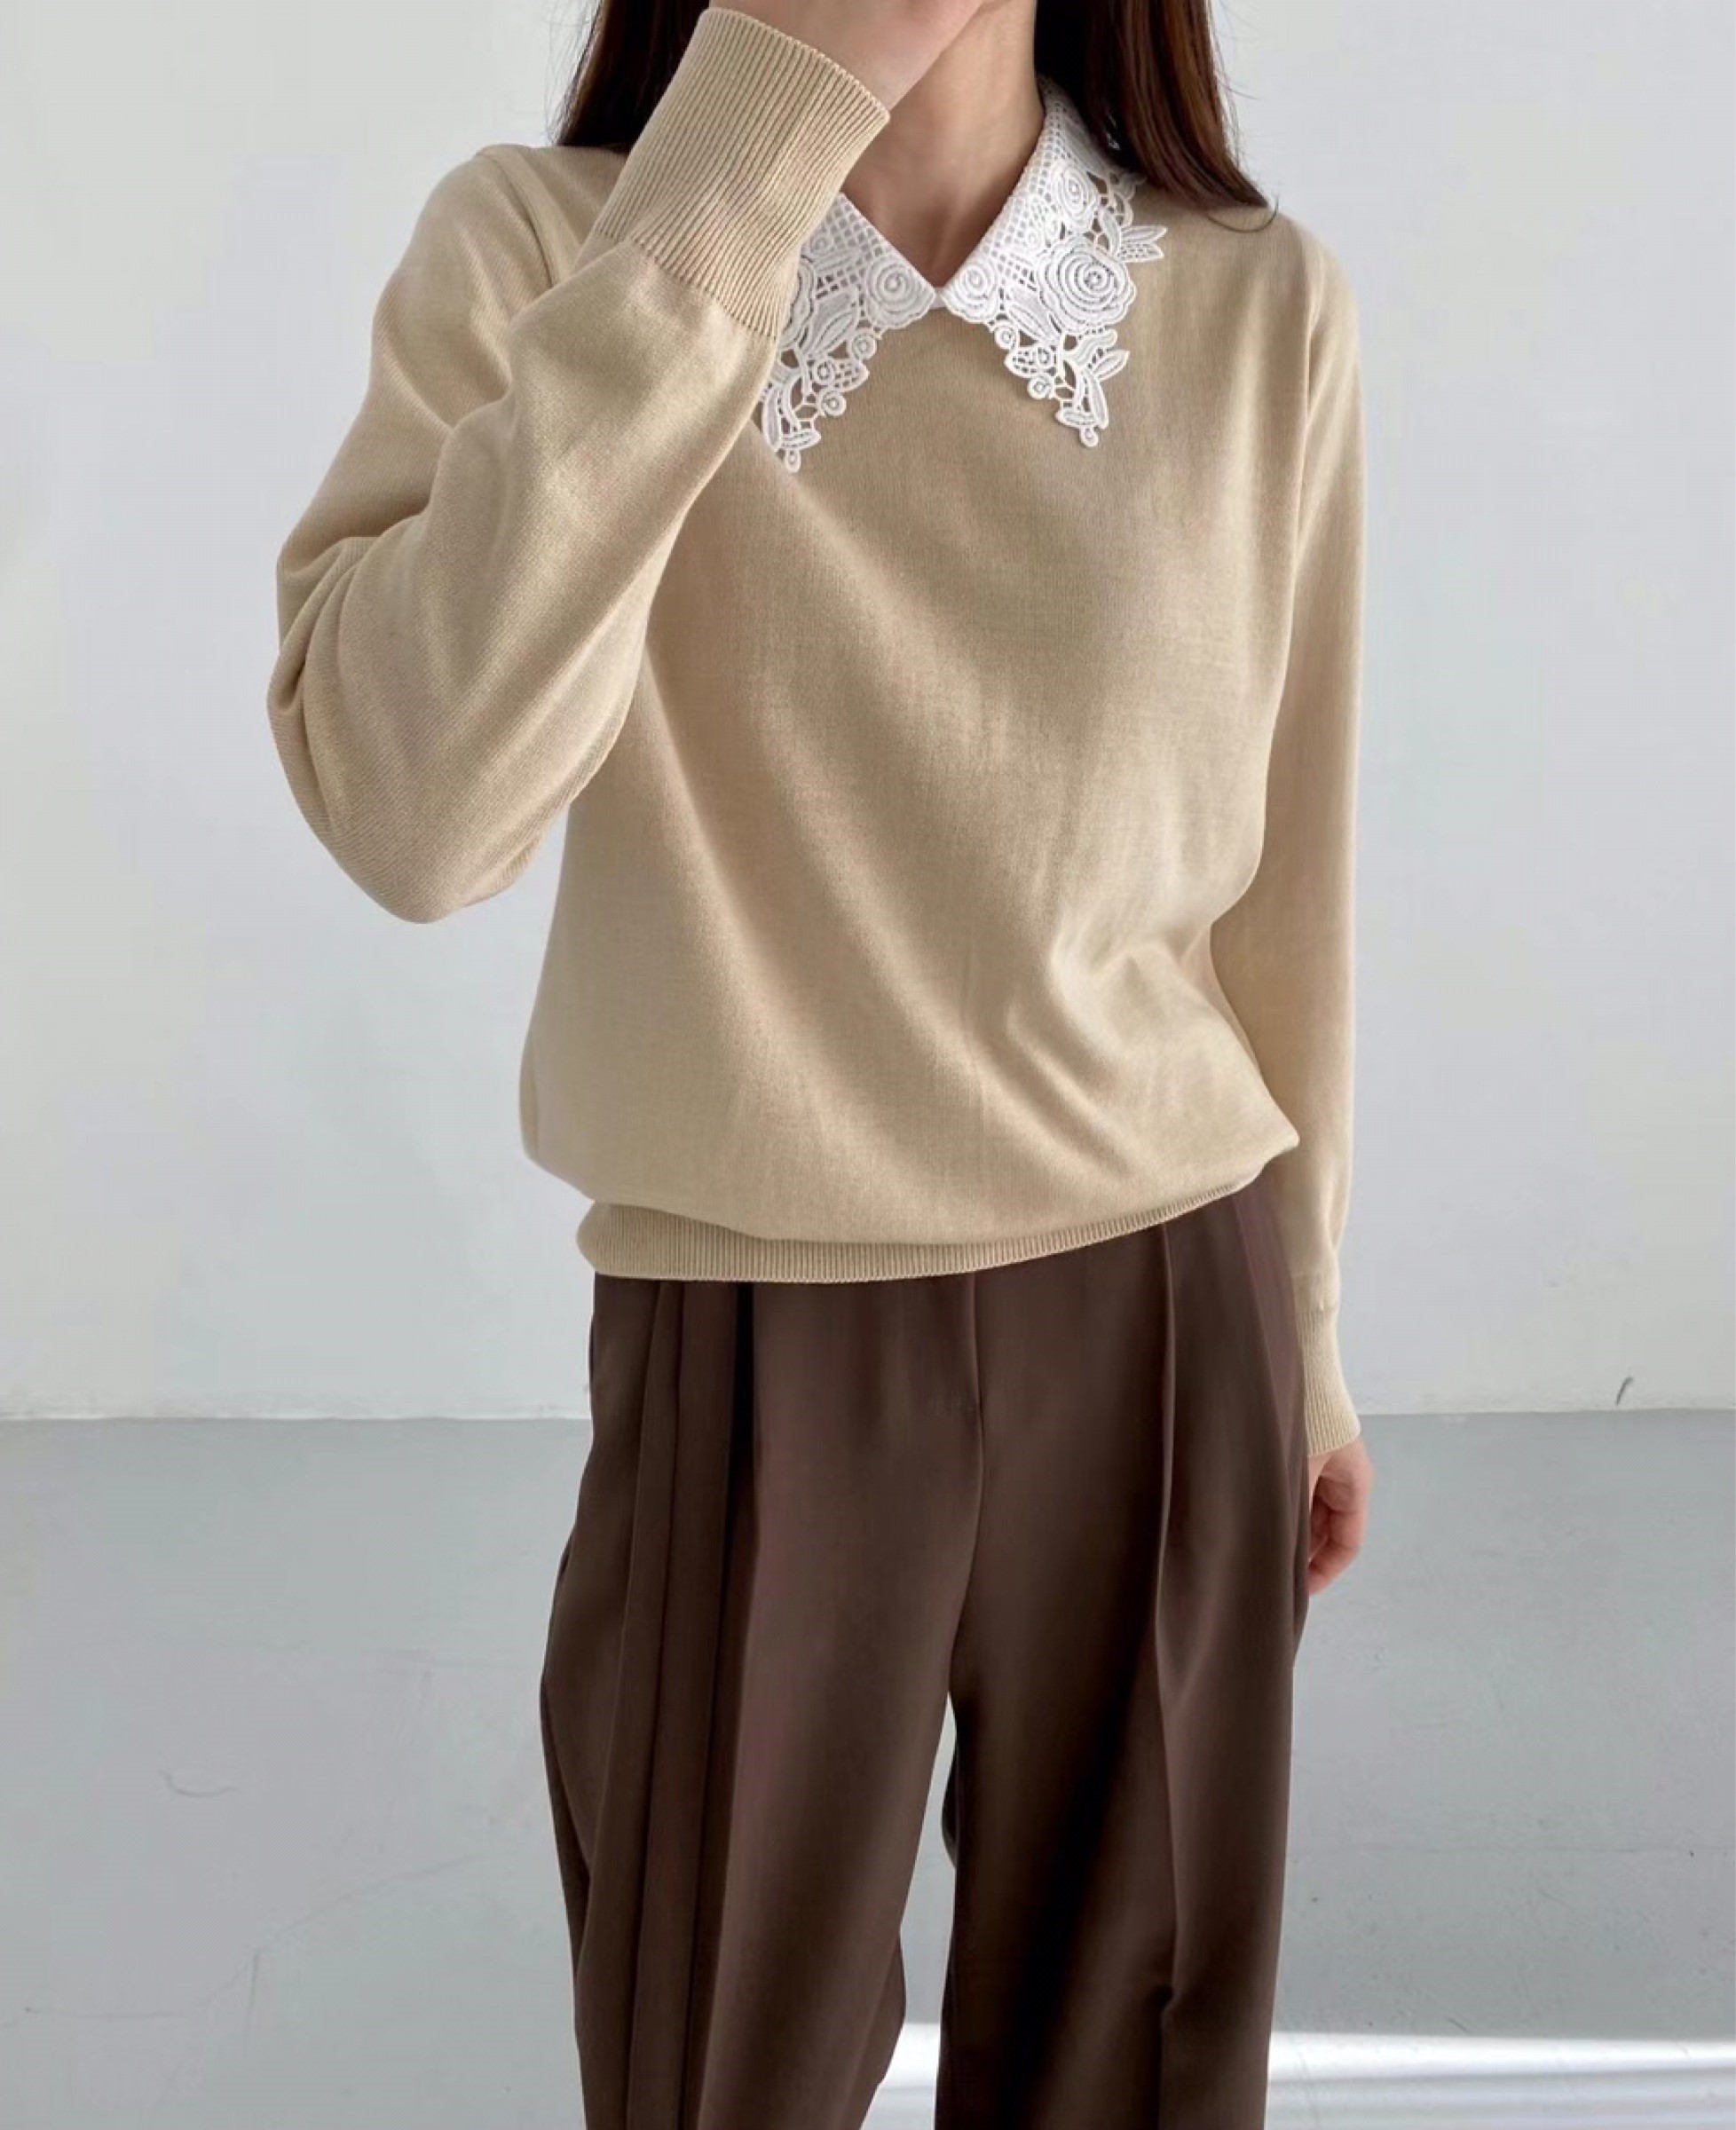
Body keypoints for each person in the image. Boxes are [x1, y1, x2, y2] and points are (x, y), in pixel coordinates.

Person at [266, 0, 1377, 2120]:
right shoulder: (549, 249)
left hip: (1172, 1311)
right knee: (709, 2064)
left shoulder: (1258, 303)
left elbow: (1285, 897)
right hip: (752, 1323)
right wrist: (742, 163)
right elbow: (414, 815)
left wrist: (1309, 1342)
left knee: (1136, 2074)